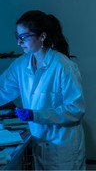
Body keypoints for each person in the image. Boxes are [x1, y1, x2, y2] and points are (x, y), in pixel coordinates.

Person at [0, 10, 86, 170]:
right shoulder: (21, 65)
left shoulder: (63, 66)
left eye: (24, 37)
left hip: (63, 150)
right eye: (17, 36)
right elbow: (1, 89)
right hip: (40, 146)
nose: (19, 42)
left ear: (42, 36)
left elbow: (75, 110)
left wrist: (35, 115)